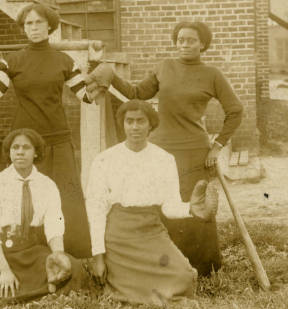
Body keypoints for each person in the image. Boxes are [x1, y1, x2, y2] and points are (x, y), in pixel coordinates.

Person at [86, 21, 243, 275]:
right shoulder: (164, 68)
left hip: (195, 153)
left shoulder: (212, 74)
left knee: (194, 207)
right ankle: (167, 264)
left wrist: (217, 146)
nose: (184, 44)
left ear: (202, 44)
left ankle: (203, 268)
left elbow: (235, 111)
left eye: (191, 40)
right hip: (160, 150)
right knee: (164, 206)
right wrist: (111, 75)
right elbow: (137, 93)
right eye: (180, 39)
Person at [0, 3, 102, 258]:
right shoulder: (13, 60)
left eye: (39, 22)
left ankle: (71, 256)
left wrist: (94, 62)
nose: (34, 28)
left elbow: (87, 96)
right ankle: (25, 254)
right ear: (23, 28)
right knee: (22, 198)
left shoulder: (64, 60)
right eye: (28, 23)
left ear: (50, 26)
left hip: (58, 138)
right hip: (25, 141)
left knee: (66, 199)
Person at [85, 100, 216, 307]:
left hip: (151, 232)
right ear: (122, 124)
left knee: (184, 276)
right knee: (117, 281)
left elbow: (169, 206)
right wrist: (98, 256)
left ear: (150, 124)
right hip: (119, 236)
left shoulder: (164, 159)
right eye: (129, 121)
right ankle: (130, 289)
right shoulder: (105, 159)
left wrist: (190, 209)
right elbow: (96, 210)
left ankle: (139, 291)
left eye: (140, 121)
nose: (135, 127)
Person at [0, 128, 85, 301]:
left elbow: (54, 226)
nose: (20, 152)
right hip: (4, 253)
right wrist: (5, 270)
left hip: (32, 251)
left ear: (36, 152)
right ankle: (38, 288)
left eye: (26, 147)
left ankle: (40, 286)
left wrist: (57, 257)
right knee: (2, 290)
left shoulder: (47, 184)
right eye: (15, 147)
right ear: (9, 152)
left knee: (74, 267)